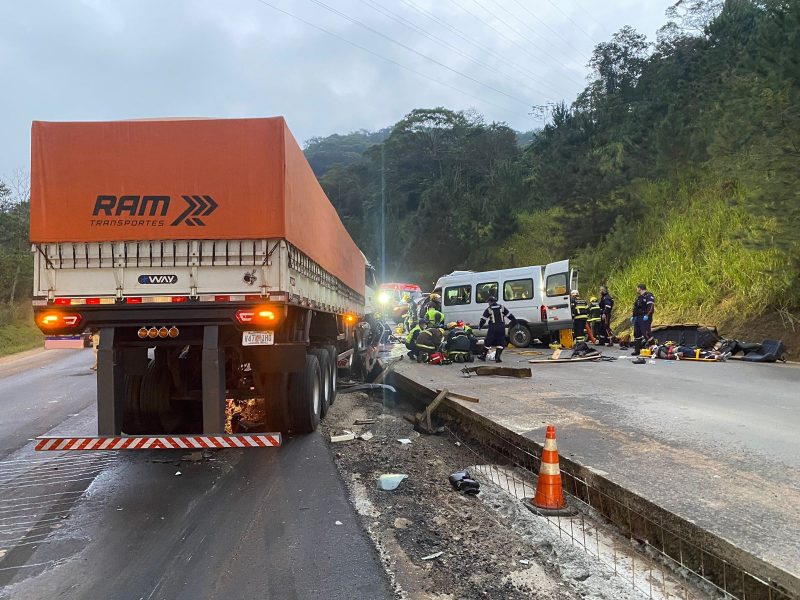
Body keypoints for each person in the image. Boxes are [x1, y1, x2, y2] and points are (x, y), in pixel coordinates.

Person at [478, 297, 517, 362]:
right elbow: (510, 315)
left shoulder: (489, 309)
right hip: (501, 328)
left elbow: (483, 319)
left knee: (488, 342)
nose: (488, 303)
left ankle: (483, 356)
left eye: (488, 302)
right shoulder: (502, 307)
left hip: (493, 328)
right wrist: (515, 322)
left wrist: (480, 326)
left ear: (490, 302)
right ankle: (497, 357)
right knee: (501, 342)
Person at [630, 283, 655, 356]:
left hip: (645, 317)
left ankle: (654, 348)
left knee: (646, 333)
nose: (637, 290)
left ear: (639, 288)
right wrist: (633, 316)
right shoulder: (639, 297)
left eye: (637, 288)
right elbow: (635, 308)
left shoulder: (649, 295)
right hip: (638, 318)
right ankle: (637, 350)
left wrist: (647, 315)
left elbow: (651, 306)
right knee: (637, 333)